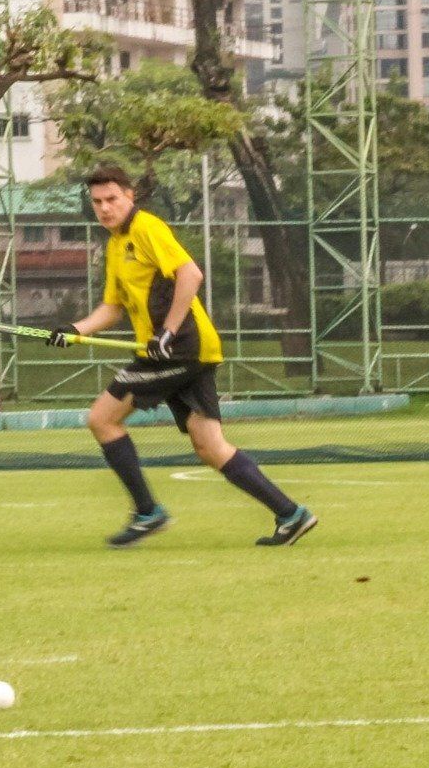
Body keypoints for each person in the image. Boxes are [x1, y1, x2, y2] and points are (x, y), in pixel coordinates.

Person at [50, 165, 318, 548]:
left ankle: (147, 512)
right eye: (97, 202)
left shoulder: (147, 228)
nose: (105, 208)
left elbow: (190, 275)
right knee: (209, 445)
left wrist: (168, 332)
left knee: (102, 419)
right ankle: (291, 515)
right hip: (183, 351)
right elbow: (112, 308)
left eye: (112, 199)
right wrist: (76, 330)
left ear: (130, 196)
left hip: (179, 349)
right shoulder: (114, 245)